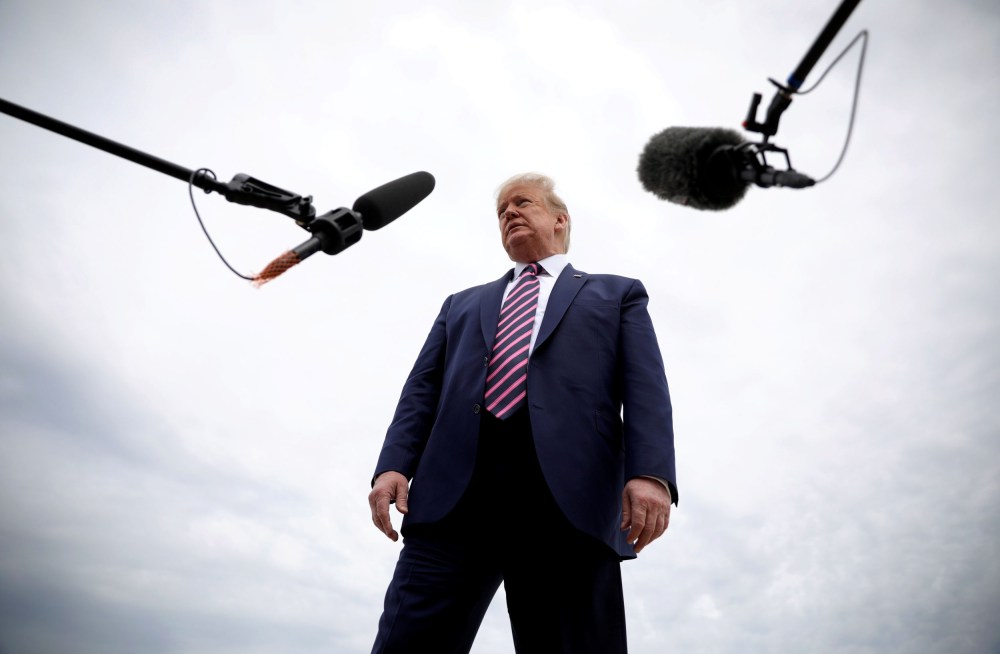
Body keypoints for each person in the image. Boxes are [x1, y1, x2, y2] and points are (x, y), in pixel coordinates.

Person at [368, 172, 677, 653]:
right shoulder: (460, 305)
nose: (509, 212)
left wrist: (650, 474)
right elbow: (420, 392)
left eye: (522, 203)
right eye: (501, 210)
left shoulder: (618, 294)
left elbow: (646, 387)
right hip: (454, 496)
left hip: (568, 500)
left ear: (560, 220)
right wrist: (393, 465)